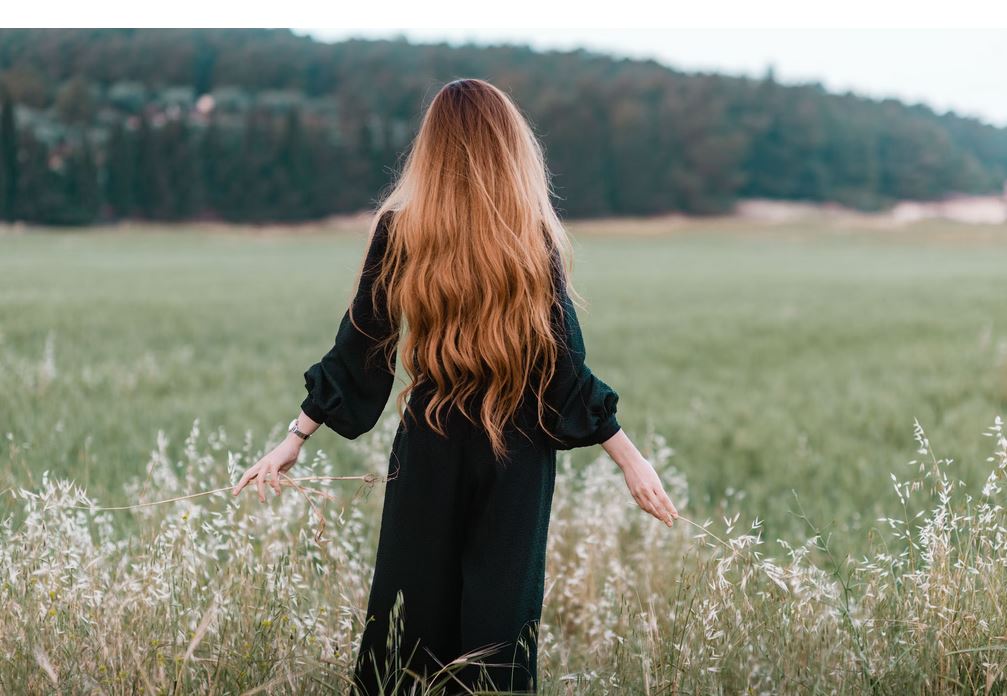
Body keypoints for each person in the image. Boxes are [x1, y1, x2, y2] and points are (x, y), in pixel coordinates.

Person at [232, 77, 679, 695]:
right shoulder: (530, 236)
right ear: (508, 147)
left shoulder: (402, 228)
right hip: (517, 453)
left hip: (430, 442)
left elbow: (360, 348)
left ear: (432, 149)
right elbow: (563, 368)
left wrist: (295, 437)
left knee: (408, 634)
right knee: (499, 640)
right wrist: (631, 460)